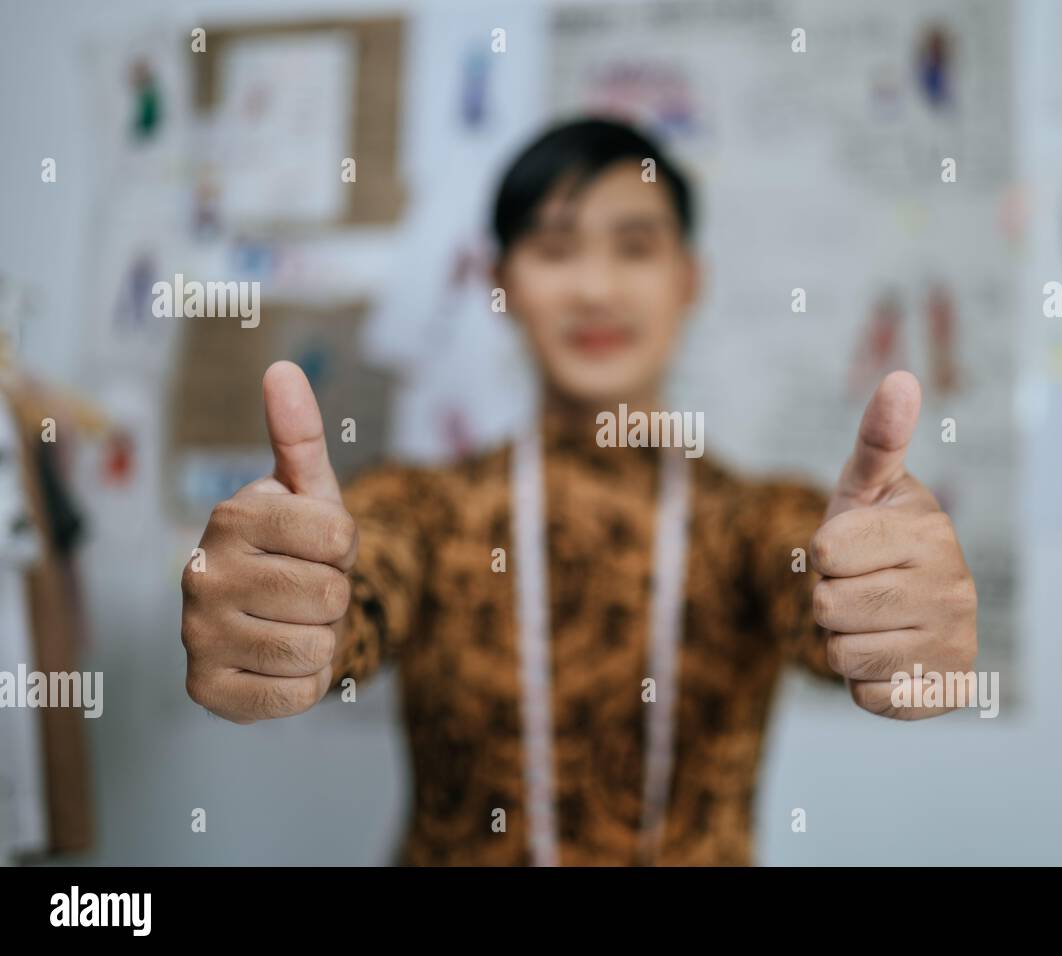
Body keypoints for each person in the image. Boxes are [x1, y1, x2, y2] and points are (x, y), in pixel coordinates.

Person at [179, 118, 978, 866]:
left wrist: (891, 607)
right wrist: (285, 605)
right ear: (501, 282)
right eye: (556, 249)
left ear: (688, 279)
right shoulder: (426, 508)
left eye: (634, 247)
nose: (595, 288)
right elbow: (361, 582)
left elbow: (812, 583)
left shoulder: (754, 520)